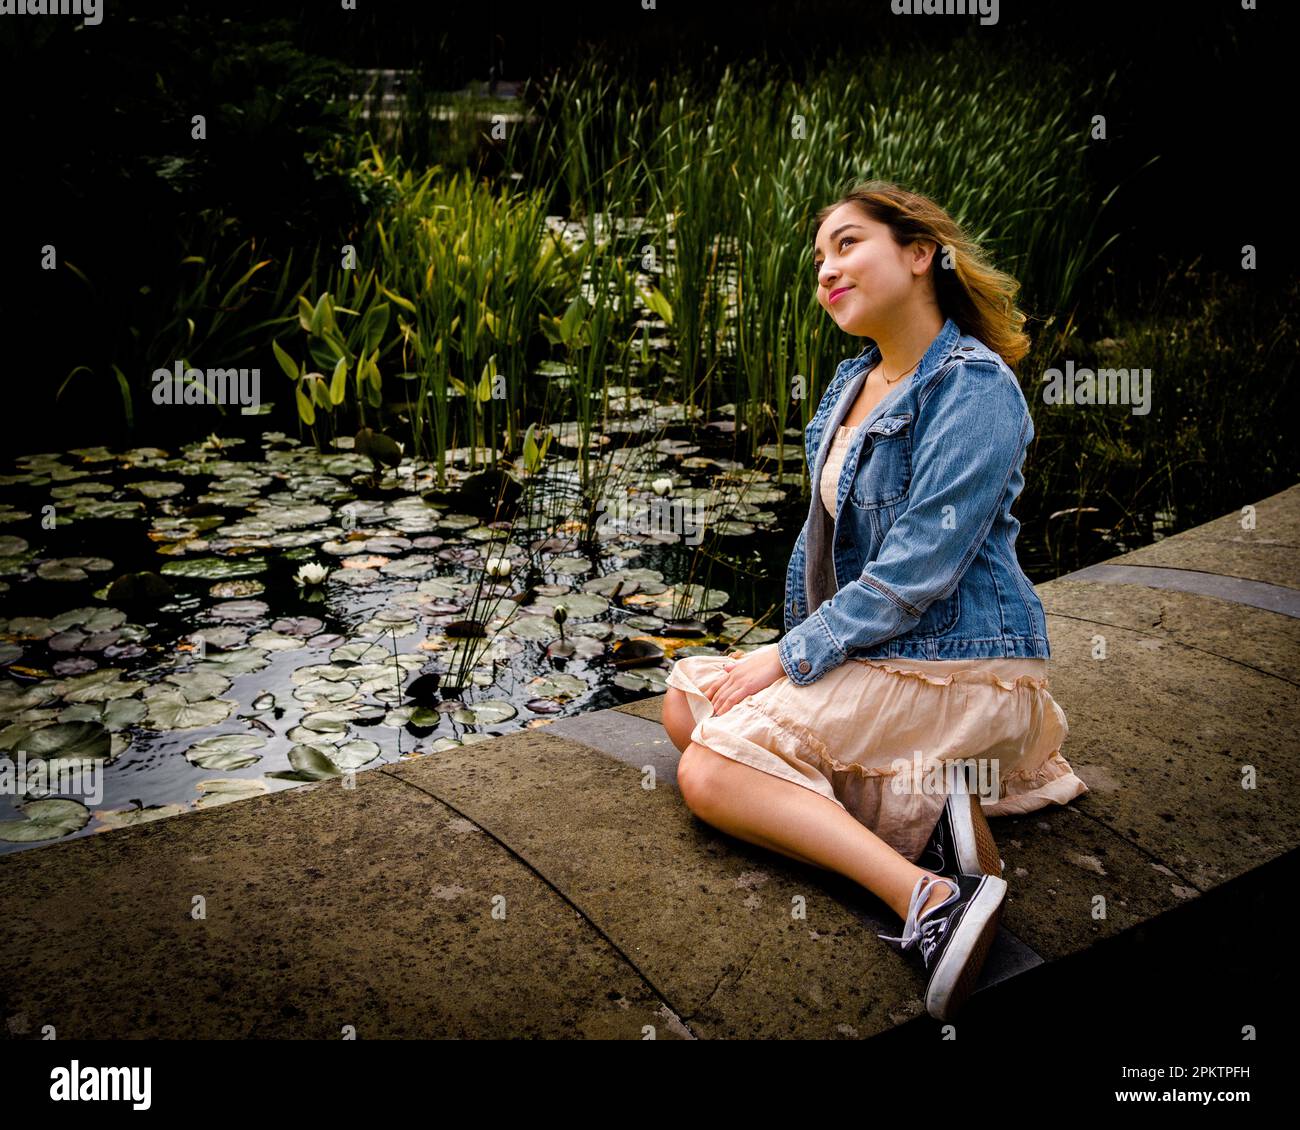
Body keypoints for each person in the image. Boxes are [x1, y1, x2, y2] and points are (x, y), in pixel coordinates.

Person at [661, 180, 1089, 1022]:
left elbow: (915, 570)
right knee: (686, 700)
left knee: (709, 771)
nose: (827, 269)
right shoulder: (851, 386)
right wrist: (792, 662)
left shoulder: (974, 386)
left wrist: (791, 658)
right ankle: (930, 808)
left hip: (958, 665)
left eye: (848, 243)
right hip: (887, 652)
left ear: (921, 253)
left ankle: (933, 897)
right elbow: (821, 551)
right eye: (819, 257)